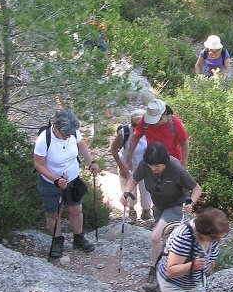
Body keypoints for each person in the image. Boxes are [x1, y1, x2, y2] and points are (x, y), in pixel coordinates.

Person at [121, 142, 202, 290]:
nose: (153, 169)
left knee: (155, 236)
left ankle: (157, 273)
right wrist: (127, 192)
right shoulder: (145, 165)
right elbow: (133, 179)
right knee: (167, 240)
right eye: (151, 166)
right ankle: (171, 270)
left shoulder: (175, 168)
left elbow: (196, 188)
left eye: (157, 166)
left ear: (165, 162)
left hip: (177, 205)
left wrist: (191, 203)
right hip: (158, 206)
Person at [33, 108, 100, 259]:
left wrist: (91, 162)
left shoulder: (73, 132)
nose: (67, 137)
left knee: (76, 209)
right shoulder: (44, 140)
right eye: (65, 134)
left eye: (69, 134)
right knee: (54, 213)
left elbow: (81, 145)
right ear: (55, 128)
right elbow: (38, 165)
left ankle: (79, 238)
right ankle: (57, 240)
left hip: (73, 179)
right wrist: (56, 180)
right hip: (51, 183)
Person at [110, 110, 152, 223]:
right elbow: (113, 149)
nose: (137, 127)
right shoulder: (125, 132)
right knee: (128, 190)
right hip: (127, 166)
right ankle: (132, 211)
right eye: (135, 124)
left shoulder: (150, 131)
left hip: (145, 166)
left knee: (146, 190)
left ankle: (146, 211)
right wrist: (122, 166)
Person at [125, 99, 188, 167]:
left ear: (165, 114)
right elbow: (136, 137)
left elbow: (184, 143)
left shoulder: (175, 123)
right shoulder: (145, 121)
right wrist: (129, 159)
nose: (154, 123)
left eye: (158, 120)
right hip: (152, 161)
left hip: (171, 163)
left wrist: (183, 164)